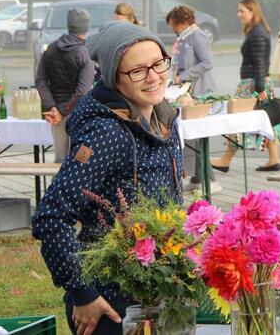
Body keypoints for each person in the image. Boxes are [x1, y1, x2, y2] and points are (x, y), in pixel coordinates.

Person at [32, 22, 183, 335]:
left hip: (156, 291)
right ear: (115, 76)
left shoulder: (163, 118)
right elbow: (51, 216)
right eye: (138, 70)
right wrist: (82, 292)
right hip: (111, 303)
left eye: (158, 63)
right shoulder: (107, 133)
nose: (154, 76)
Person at [211, 0, 280, 172]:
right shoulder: (257, 31)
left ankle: (226, 159)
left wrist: (259, 89)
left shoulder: (257, 33)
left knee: (237, 119)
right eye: (238, 10)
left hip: (253, 85)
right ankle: (274, 159)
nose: (239, 14)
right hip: (257, 82)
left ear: (252, 11)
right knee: (268, 119)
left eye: (242, 11)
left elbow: (259, 62)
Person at [166, 5, 220, 192]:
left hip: (200, 91)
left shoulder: (197, 36)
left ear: (183, 22)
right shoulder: (182, 38)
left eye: (173, 24)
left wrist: (186, 75)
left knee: (198, 137)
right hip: (187, 91)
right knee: (191, 137)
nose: (172, 28)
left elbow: (207, 62)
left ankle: (211, 180)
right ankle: (197, 179)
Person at [35, 8, 95, 163]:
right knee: (80, 161)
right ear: (86, 27)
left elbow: (40, 80)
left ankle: (57, 188)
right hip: (80, 114)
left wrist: (52, 107)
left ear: (68, 25)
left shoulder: (51, 49)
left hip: (56, 114)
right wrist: (62, 111)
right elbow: (82, 91)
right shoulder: (85, 52)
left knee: (60, 160)